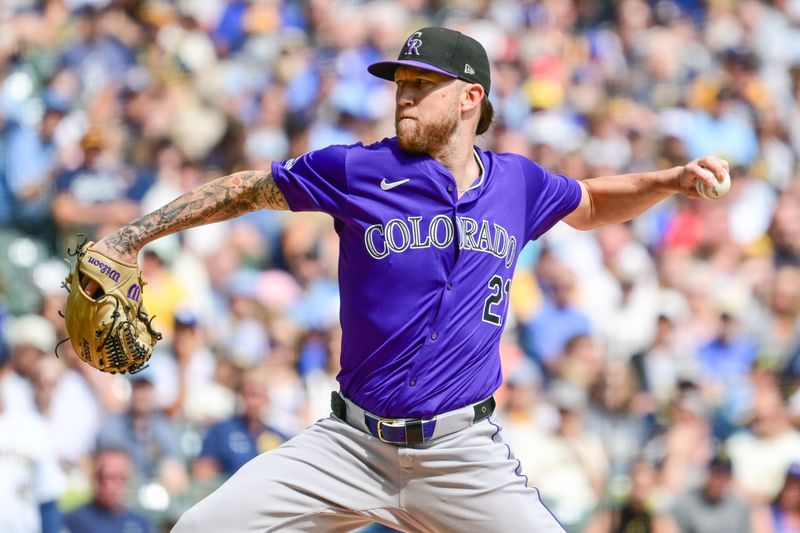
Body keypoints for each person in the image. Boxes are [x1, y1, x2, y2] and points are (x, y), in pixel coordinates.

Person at [86, 26, 730, 532]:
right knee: (201, 527)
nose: (405, 94)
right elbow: (247, 191)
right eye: (401, 83)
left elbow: (588, 202)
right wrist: (130, 236)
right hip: (349, 446)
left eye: (424, 83)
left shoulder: (518, 184)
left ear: (470, 97)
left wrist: (670, 182)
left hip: (461, 455)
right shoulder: (356, 170)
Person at [65, 447, 154, 533]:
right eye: (102, 477)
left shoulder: (140, 523)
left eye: (115, 478)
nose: (108, 485)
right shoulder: (76, 520)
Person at [670, 453, 752, 533]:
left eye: (723, 475)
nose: (718, 480)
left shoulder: (740, 507)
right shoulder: (685, 503)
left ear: (730, 478)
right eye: (715, 472)